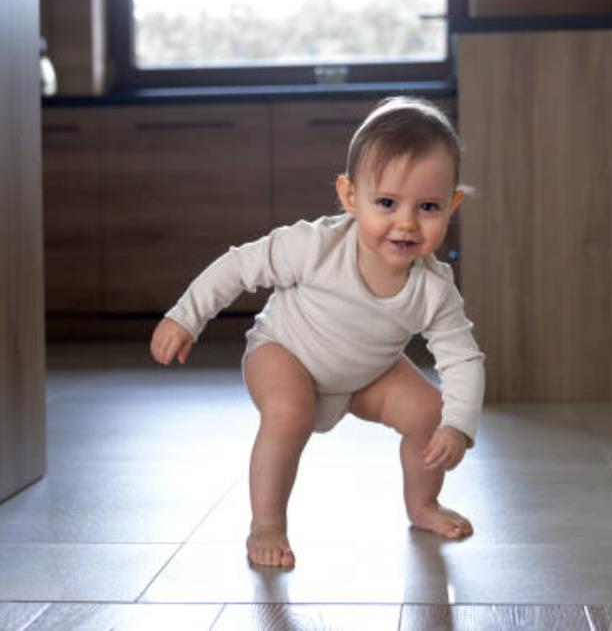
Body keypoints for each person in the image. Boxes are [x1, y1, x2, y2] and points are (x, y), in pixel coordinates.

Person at [149, 96, 485, 569]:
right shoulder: (316, 245)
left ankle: (422, 505)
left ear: (451, 206)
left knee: (430, 412)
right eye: (386, 203)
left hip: (365, 374)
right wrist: (186, 315)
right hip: (284, 352)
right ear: (350, 197)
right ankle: (266, 523)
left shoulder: (433, 288)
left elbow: (463, 358)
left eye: (427, 206)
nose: (405, 223)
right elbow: (240, 265)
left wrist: (458, 425)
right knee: (289, 410)